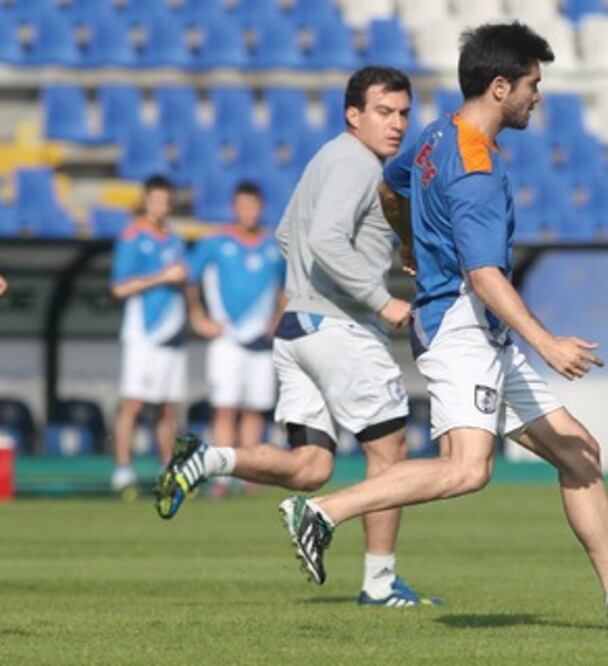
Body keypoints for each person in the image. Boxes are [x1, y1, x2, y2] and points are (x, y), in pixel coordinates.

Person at [276, 22, 608, 607]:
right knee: (466, 469)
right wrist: (548, 343)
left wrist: (410, 243)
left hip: (481, 330)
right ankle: (322, 510)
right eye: (533, 83)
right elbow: (484, 276)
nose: (538, 96)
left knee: (578, 451)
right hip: (460, 328)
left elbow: (390, 189)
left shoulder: (436, 134)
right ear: (500, 87)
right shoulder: (474, 168)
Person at [155, 67, 439, 607]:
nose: (397, 124)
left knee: (311, 466)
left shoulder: (327, 157)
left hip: (296, 328)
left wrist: (316, 287)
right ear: (353, 115)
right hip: (336, 327)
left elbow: (288, 236)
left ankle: (208, 460)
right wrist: (379, 298)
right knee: (391, 453)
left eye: (404, 113)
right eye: (384, 112)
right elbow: (326, 241)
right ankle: (380, 583)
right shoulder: (357, 163)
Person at [185, 181, 285, 492]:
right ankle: (222, 477)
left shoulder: (273, 246)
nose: (248, 212)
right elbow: (189, 279)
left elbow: (285, 287)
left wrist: (278, 318)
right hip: (227, 337)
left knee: (255, 409)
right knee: (225, 408)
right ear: (234, 208)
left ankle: (250, 475)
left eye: (253, 206)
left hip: (260, 341)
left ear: (260, 207)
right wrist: (198, 316)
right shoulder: (214, 243)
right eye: (243, 206)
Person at [110, 175, 187, 496]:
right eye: (155, 200)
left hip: (173, 333)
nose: (160, 206)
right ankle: (123, 471)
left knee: (167, 406)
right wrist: (161, 278)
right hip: (143, 333)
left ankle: (166, 471)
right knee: (133, 403)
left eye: (165, 201)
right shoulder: (132, 236)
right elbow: (119, 288)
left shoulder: (175, 239)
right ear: (145, 201)